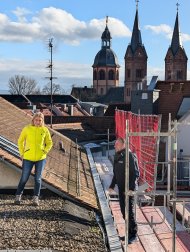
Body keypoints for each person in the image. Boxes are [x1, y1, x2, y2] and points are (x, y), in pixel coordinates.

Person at [15, 112, 53, 206]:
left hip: (41, 158)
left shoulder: (44, 130)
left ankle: (36, 198)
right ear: (33, 120)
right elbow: (20, 141)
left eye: (40, 120)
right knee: (24, 178)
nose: (38, 122)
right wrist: (22, 153)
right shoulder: (27, 129)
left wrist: (45, 151)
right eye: (36, 120)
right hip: (28, 157)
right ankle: (18, 196)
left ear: (42, 121)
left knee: (38, 179)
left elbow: (49, 143)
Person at [108, 137, 138, 244]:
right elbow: (116, 174)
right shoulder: (117, 156)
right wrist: (111, 185)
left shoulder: (129, 155)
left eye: (116, 144)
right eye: (115, 144)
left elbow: (135, 174)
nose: (114, 146)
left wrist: (130, 189)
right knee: (123, 212)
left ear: (123, 145)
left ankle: (133, 234)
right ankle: (129, 232)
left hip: (129, 190)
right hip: (121, 189)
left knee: (129, 212)